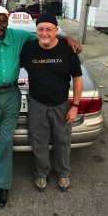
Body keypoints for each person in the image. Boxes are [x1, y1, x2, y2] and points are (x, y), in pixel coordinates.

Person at [0, 6, 82, 209]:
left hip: (11, 95)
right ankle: (1, 183)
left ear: (7, 19)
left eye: (1, 21)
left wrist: (68, 39)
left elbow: (47, 36)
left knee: (6, 141)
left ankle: (1, 185)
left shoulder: (20, 36)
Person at [21, 12, 83, 193]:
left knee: (62, 141)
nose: (44, 33)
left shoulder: (67, 51)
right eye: (40, 29)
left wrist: (75, 106)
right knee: (38, 142)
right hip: (37, 104)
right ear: (36, 30)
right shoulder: (28, 50)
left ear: (56, 30)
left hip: (61, 105)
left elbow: (78, 79)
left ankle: (63, 173)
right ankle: (41, 173)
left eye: (49, 29)